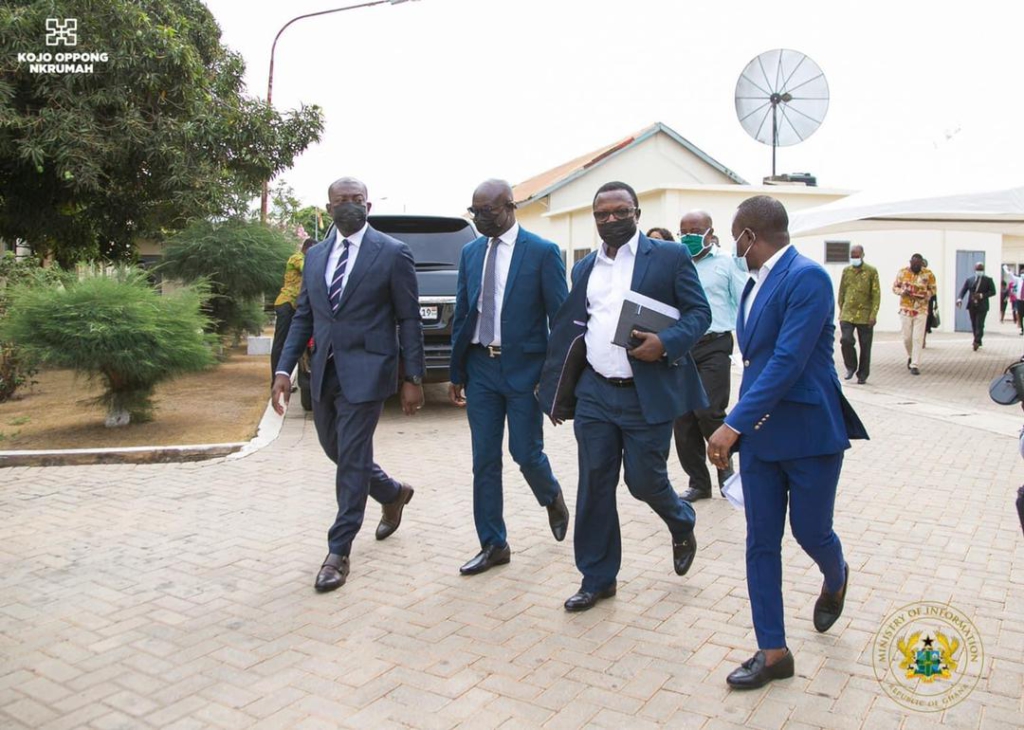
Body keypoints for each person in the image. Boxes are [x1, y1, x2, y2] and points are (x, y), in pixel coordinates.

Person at [706, 196, 868, 690]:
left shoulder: (807, 277)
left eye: (735, 237)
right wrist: (743, 425)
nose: (734, 247)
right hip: (761, 437)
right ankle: (773, 651)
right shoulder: (752, 283)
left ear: (750, 235)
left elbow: (787, 360)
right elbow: (754, 361)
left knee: (811, 532)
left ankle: (836, 574)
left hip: (809, 433)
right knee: (760, 541)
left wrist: (732, 423)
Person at [538, 181, 711, 612]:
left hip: (645, 393)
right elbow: (573, 329)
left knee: (643, 481)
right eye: (602, 214)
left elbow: (699, 313)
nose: (611, 220)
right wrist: (555, 390)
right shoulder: (584, 268)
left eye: (620, 212)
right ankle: (597, 578)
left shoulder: (669, 257)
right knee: (594, 486)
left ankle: (681, 520)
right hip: (596, 391)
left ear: (637, 213)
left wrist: (666, 343)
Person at [272, 177, 425, 593]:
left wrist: (413, 377)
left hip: (370, 369)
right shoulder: (316, 256)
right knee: (335, 449)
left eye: (356, 200)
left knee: (353, 457)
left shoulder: (392, 253)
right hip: (324, 369)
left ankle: (338, 551)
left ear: (368, 206)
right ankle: (391, 493)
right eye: (341, 200)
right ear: (329, 207)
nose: (349, 206)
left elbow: (408, 318)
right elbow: (304, 316)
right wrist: (284, 370)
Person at [448, 179, 570, 575]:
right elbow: (464, 312)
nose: (480, 219)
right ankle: (494, 544)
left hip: (525, 370)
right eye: (475, 212)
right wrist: (456, 371)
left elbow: (561, 320)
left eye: (487, 211)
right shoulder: (470, 252)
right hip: (480, 367)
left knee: (525, 452)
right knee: (484, 459)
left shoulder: (542, 252)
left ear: (510, 206)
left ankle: (551, 495)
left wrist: (553, 381)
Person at [672, 210, 746, 501]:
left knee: (709, 411)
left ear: (710, 233)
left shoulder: (727, 263)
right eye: (684, 231)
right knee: (683, 417)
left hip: (714, 344)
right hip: (681, 346)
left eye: (695, 230)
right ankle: (698, 483)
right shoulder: (676, 262)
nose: (689, 236)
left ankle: (726, 471)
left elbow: (743, 301)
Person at [270, 237, 314, 384]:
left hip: (295, 306)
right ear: (308, 249)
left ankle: (288, 377)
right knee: (280, 343)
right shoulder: (296, 258)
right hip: (286, 303)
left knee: (294, 342)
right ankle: (276, 379)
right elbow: (305, 267)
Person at [837, 245, 880, 385]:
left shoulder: (871, 271)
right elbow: (842, 291)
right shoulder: (847, 271)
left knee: (865, 346)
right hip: (848, 313)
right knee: (846, 340)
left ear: (862, 255)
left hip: (864, 314)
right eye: (852, 255)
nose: (854, 258)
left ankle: (863, 374)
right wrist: (841, 309)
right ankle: (850, 366)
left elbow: (876, 294)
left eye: (857, 255)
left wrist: (873, 314)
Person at [893, 254, 936, 375]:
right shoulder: (903, 272)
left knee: (917, 338)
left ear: (922, 263)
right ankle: (911, 356)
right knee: (907, 337)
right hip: (906, 309)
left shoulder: (928, 274)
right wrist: (902, 292)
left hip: (921, 309)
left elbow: (933, 289)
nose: (916, 266)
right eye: (914, 263)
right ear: (910, 262)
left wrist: (925, 294)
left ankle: (915, 364)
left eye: (918, 264)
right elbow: (895, 287)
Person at [957, 262, 996, 351]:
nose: (979, 271)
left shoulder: (988, 280)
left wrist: (982, 295)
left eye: (981, 269)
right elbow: (963, 290)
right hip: (972, 305)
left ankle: (976, 341)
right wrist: (959, 299)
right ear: (975, 270)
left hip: (982, 306)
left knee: (980, 324)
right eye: (978, 269)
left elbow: (993, 292)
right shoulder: (970, 280)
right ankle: (977, 339)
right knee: (974, 323)